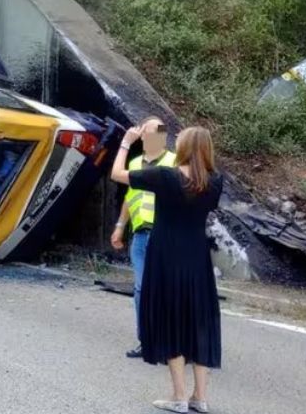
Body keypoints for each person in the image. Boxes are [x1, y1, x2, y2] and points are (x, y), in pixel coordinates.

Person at [111, 126, 223, 414]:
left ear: (183, 147)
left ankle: (179, 397)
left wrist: (126, 144)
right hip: (198, 259)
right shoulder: (216, 182)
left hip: (167, 256)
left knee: (172, 319)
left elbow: (117, 175)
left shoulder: (166, 177)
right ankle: (200, 397)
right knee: (199, 323)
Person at [109, 117, 177, 359]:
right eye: (150, 130)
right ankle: (147, 340)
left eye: (161, 130)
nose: (157, 134)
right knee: (141, 289)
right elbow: (131, 196)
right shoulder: (137, 163)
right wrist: (120, 226)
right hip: (140, 237)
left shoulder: (174, 162)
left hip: (165, 235)